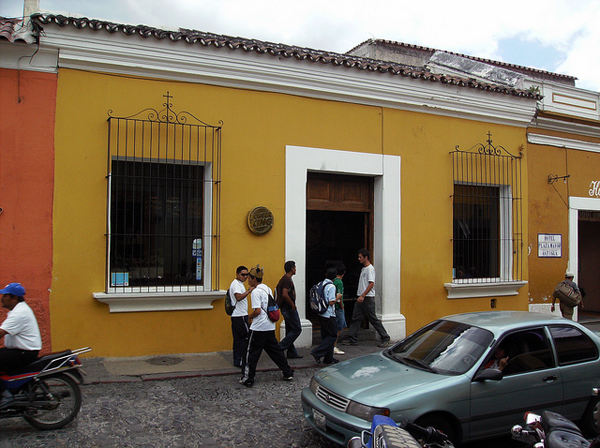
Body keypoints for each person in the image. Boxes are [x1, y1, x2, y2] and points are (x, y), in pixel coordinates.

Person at [240, 265, 294, 387]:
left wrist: (249, 316)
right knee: (275, 351)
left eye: (249, 278)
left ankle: (248, 377)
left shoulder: (256, 292)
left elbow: (257, 310)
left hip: (258, 327)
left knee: (251, 353)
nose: (248, 280)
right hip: (270, 326)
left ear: (254, 279)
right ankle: (287, 371)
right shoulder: (267, 289)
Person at [0, 283, 42, 407]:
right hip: (18, 350)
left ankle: (5, 396)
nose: (2, 298)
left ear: (14, 298)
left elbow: (1, 332)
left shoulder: (19, 313)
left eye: (5, 296)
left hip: (24, 353)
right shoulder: (18, 309)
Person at [344, 249, 391, 348]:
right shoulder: (364, 269)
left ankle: (385, 337)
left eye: (360, 257)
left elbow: (371, 284)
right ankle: (352, 338)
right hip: (361, 298)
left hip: (367, 298)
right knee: (356, 318)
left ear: (366, 258)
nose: (359, 259)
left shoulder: (370, 269)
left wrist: (363, 295)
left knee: (372, 318)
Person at [310, 267, 339, 364]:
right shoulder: (332, 287)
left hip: (321, 313)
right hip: (329, 314)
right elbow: (331, 302)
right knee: (333, 335)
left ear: (326, 275)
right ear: (335, 276)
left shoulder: (321, 284)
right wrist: (337, 297)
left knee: (326, 336)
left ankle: (328, 358)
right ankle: (317, 352)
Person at [276, 260, 303, 359]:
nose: (295, 269)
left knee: (290, 329)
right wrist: (292, 305)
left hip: (285, 308)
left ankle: (292, 353)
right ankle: (280, 347)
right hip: (288, 308)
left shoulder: (284, 279)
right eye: (295, 267)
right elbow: (284, 294)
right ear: (292, 269)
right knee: (297, 329)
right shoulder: (287, 279)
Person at [228, 266, 254, 368]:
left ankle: (237, 360)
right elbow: (238, 297)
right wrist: (248, 291)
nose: (245, 277)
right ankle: (241, 359)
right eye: (243, 274)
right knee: (245, 336)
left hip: (238, 315)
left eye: (247, 275)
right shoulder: (236, 284)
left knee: (238, 339)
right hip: (240, 315)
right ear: (237, 274)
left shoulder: (238, 284)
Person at [333, 264, 346, 356]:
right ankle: (334, 346)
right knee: (338, 329)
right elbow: (339, 296)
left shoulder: (333, 281)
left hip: (334, 308)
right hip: (338, 308)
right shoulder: (339, 283)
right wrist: (341, 306)